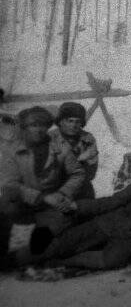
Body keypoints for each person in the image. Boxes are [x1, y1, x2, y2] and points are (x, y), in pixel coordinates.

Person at [29, 149, 131, 270]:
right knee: (62, 245)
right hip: (110, 223)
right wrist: (77, 206)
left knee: (110, 261)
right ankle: (13, 260)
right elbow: (113, 201)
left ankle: (60, 263)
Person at [0, 107, 85, 260]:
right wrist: (41, 197)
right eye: (33, 125)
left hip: (50, 206)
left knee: (65, 221)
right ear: (24, 128)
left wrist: (62, 194)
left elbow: (77, 173)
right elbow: (9, 183)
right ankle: (16, 247)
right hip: (21, 206)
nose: (39, 130)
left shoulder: (60, 147)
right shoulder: (11, 150)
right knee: (8, 202)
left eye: (43, 125)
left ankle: (33, 250)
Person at [50, 102, 98, 199]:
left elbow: (91, 174)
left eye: (77, 122)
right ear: (60, 121)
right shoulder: (50, 138)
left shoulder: (87, 139)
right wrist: (80, 159)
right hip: (54, 188)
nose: (73, 125)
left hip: (80, 187)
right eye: (70, 121)